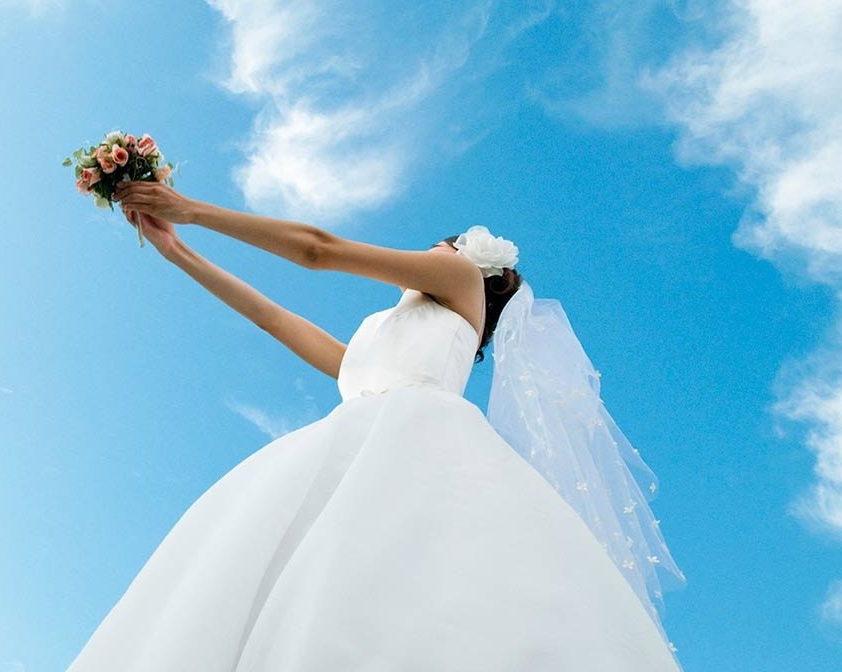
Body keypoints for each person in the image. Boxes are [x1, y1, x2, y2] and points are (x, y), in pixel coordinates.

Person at [64, 181, 684, 671]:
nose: (432, 248)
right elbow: (273, 319)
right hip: (349, 440)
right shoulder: (371, 336)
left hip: (420, 442)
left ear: (468, 263)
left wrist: (191, 209)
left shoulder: (461, 281)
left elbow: (318, 249)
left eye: (441, 244)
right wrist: (177, 249)